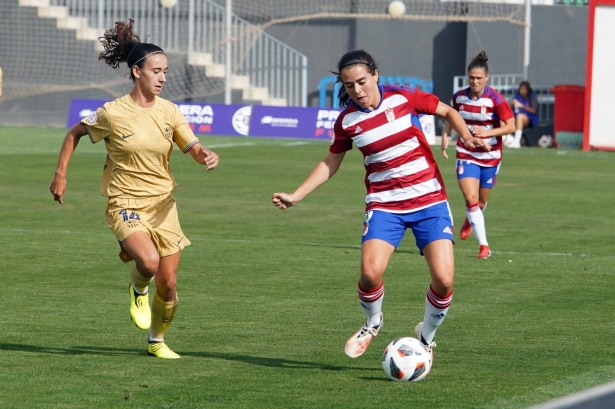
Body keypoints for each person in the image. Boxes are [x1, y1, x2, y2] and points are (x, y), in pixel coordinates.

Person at [272, 50, 490, 374]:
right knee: (370, 274)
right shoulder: (347, 121)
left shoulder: (403, 98)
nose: (357, 90)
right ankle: (373, 322)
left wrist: (468, 136)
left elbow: (446, 110)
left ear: (375, 74)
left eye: (361, 81)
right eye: (349, 85)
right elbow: (331, 160)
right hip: (385, 204)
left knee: (444, 280)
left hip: (429, 201)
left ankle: (426, 336)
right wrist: (297, 194)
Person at [49, 20, 219, 359]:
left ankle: (156, 341)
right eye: (156, 71)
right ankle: (138, 287)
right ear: (137, 71)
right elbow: (74, 133)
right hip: (124, 201)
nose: (163, 78)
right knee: (149, 262)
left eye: (166, 71)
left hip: (163, 205)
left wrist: (206, 155)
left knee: (169, 284)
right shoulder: (113, 113)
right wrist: (60, 174)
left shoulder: (170, 112)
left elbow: (193, 146)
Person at [441, 51, 515, 259]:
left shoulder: (495, 99)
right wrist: (446, 135)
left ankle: (472, 218)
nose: (474, 82)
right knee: (471, 198)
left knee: (481, 202)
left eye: (479, 78)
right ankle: (484, 246)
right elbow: (451, 116)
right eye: (471, 78)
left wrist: (488, 132)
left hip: (490, 156)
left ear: (486, 78)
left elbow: (511, 126)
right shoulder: (459, 97)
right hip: (466, 153)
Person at [507, 81, 539, 148]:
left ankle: (516, 141)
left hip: (529, 119)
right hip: (515, 118)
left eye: (524, 89)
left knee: (520, 116)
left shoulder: (532, 96)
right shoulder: (517, 95)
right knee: (506, 118)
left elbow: (533, 110)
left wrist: (522, 106)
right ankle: (506, 139)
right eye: (521, 89)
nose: (522, 91)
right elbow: (508, 108)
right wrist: (512, 103)